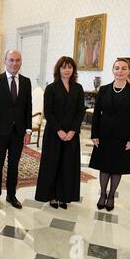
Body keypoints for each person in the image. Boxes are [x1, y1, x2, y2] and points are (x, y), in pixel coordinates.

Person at [89, 58, 130, 211]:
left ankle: (111, 195)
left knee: (117, 168)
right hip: (104, 135)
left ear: (128, 71)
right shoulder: (104, 89)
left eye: (123, 68)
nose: (120, 71)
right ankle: (102, 194)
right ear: (113, 70)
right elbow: (97, 114)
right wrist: (94, 134)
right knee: (104, 167)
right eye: (117, 68)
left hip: (123, 136)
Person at [35, 57, 85, 209]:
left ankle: (64, 196)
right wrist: (59, 130)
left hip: (71, 134)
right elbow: (48, 112)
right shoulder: (51, 88)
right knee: (52, 165)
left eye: (70, 67)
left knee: (68, 165)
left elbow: (80, 111)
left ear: (73, 70)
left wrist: (72, 131)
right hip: (54, 133)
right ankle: (51, 196)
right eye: (64, 67)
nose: (67, 70)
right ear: (58, 70)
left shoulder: (78, 88)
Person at [0, 50, 32, 210]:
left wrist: (28, 130)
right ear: (5, 61)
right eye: (11, 60)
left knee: (14, 165)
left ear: (21, 62)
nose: (14, 63)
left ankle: (11, 195)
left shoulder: (26, 82)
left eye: (18, 60)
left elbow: (28, 107)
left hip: (18, 133)